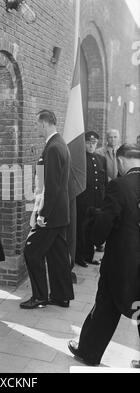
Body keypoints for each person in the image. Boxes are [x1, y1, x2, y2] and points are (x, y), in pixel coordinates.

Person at [68, 144, 140, 368]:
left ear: (120, 161)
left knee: (106, 306)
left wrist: (94, 232)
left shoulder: (119, 185)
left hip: (122, 260)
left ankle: (89, 352)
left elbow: (105, 223)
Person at [20, 110, 74, 310]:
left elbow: (52, 187)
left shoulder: (53, 147)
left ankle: (40, 296)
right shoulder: (59, 143)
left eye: (37, 125)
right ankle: (61, 296)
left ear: (44, 124)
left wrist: (42, 214)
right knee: (58, 255)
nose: (36, 128)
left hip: (51, 215)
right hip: (59, 214)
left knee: (31, 251)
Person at [75, 132, 108, 268]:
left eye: (94, 143)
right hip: (83, 202)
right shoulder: (79, 159)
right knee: (81, 230)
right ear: (84, 143)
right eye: (88, 142)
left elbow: (104, 182)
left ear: (97, 143)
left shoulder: (101, 159)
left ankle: (89, 256)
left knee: (92, 230)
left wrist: (104, 200)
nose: (91, 145)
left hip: (97, 202)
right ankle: (79, 256)